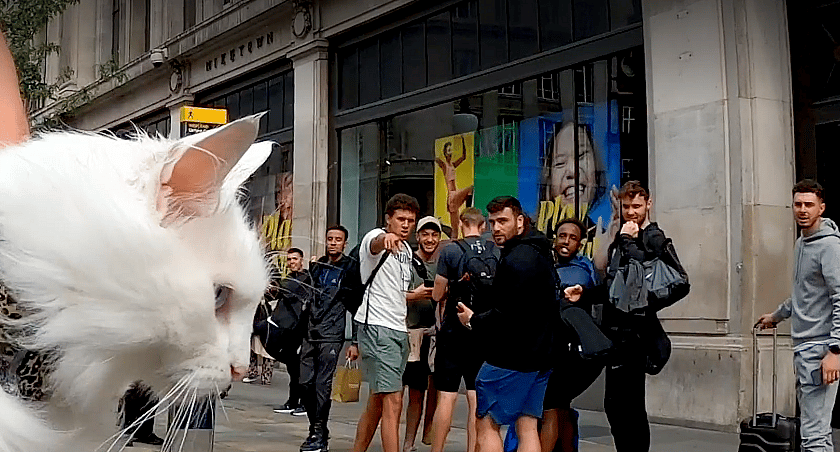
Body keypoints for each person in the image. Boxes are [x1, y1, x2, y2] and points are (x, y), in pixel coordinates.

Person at [456, 196, 559, 452]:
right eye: (492, 222)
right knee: (527, 426)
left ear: (520, 221)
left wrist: (473, 320)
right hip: (540, 355)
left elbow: (508, 313)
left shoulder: (517, 259)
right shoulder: (539, 251)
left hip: (511, 358)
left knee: (487, 423)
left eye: (503, 220)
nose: (497, 227)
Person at [757, 179, 840, 452]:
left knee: (813, 437)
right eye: (798, 204)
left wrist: (835, 350)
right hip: (805, 348)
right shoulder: (802, 242)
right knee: (818, 432)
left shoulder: (829, 247)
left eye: (809, 205)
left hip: (819, 349)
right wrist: (777, 316)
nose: (802, 210)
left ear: (822, 208)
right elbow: (804, 293)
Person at [597, 180, 673, 452]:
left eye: (636, 206)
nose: (631, 212)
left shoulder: (652, 235)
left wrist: (629, 240)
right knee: (615, 405)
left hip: (635, 334)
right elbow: (610, 276)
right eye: (627, 206)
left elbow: (665, 277)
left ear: (648, 204)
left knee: (628, 406)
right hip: (617, 331)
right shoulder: (624, 233)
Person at [348, 193, 420, 452]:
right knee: (394, 401)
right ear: (388, 219)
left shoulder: (408, 250)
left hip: (398, 329)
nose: (405, 224)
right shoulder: (374, 237)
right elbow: (375, 244)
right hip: (377, 327)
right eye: (400, 219)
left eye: (410, 220)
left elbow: (397, 291)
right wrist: (384, 239)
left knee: (379, 400)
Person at [429, 207, 497, 452]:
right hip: (481, 329)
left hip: (452, 332)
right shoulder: (494, 251)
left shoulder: (450, 250)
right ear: (483, 226)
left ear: (461, 223)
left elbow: (437, 294)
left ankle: (437, 449)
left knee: (446, 397)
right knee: (475, 398)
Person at [297, 225, 359, 452]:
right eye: (330, 239)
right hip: (310, 333)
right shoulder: (318, 266)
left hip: (332, 334)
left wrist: (355, 341)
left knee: (322, 386)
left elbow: (356, 305)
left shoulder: (350, 268)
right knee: (304, 384)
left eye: (338, 239)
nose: (333, 242)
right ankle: (317, 428)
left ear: (345, 243)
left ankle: (318, 433)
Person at [402, 216, 442, 452]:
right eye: (425, 234)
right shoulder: (406, 263)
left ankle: (413, 441)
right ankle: (403, 442)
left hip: (431, 337)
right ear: (418, 237)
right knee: (397, 393)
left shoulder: (442, 264)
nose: (429, 239)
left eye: (434, 235)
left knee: (421, 392)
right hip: (406, 335)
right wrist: (414, 295)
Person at [270, 247, 312, 416]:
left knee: (302, 368)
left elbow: (289, 291)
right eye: (289, 259)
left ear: (302, 260)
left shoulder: (306, 279)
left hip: (301, 329)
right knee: (293, 368)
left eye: (295, 259)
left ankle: (303, 403)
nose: (292, 262)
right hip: (287, 329)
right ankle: (293, 401)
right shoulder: (289, 279)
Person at [436, 139, 474, 239]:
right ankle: (468, 212)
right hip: (452, 196)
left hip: (454, 196)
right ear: (445, 153)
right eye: (448, 151)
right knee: (455, 228)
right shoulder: (444, 165)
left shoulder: (452, 165)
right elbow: (435, 158)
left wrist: (463, 140)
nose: (450, 153)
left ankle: (442, 227)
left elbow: (463, 157)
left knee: (455, 228)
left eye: (451, 150)